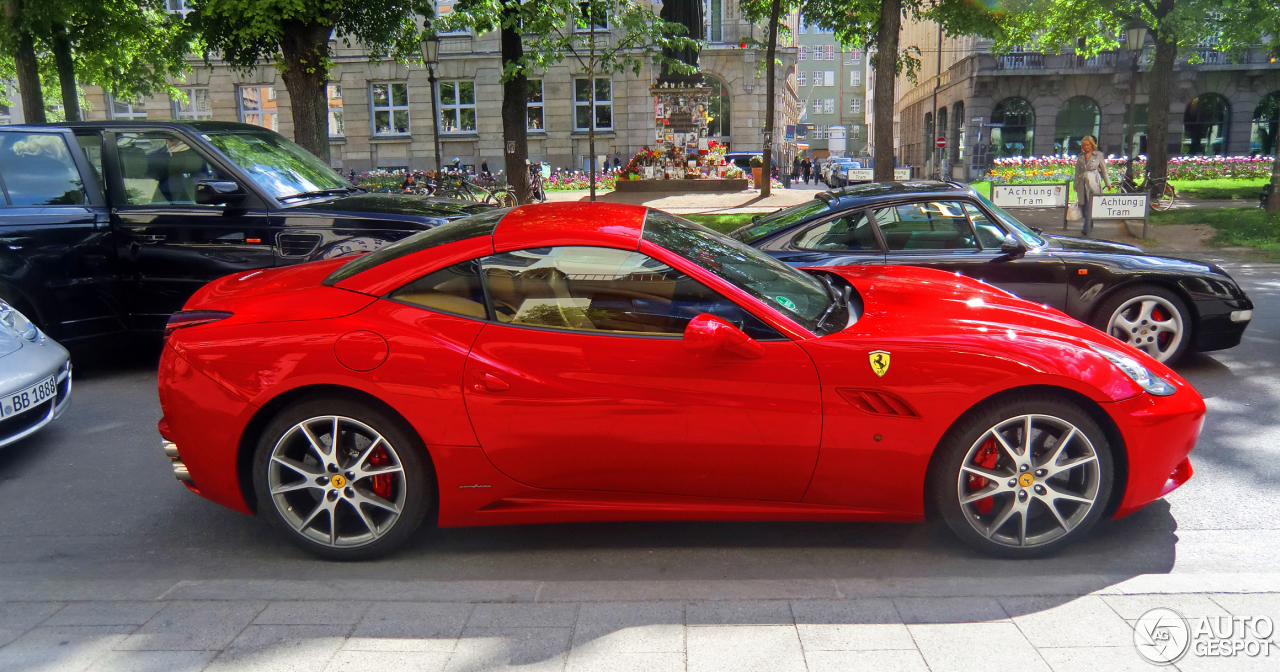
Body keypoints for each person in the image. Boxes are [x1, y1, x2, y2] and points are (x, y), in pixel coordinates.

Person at [1073, 135, 1112, 236]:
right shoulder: (1081, 156)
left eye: (1088, 145)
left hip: (1093, 181)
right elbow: (1077, 171)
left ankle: (1086, 227)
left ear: (1092, 145)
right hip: (1082, 182)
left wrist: (1108, 184)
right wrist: (1075, 184)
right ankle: (1089, 223)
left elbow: (1104, 170)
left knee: (1091, 204)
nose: (1086, 147)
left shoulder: (1098, 155)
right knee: (1084, 205)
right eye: (1084, 145)